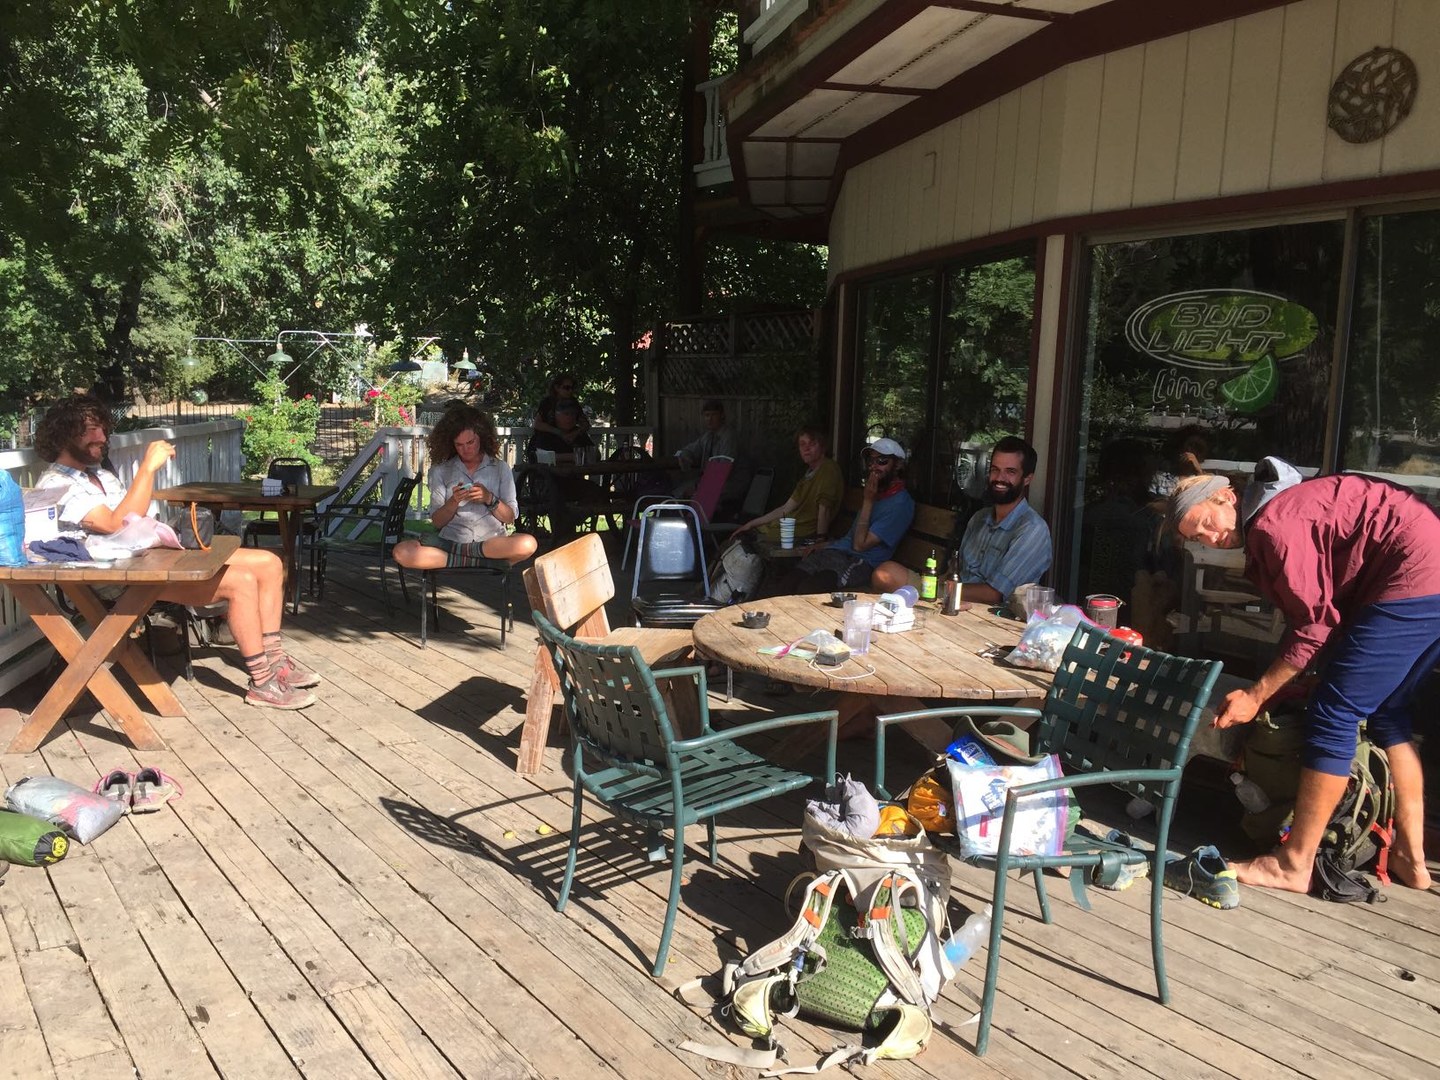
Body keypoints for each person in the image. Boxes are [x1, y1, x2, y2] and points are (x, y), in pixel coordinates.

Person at [1169, 459, 1440, 893]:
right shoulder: (1280, 510)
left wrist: (1257, 695)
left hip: (1412, 576)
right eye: (1195, 538)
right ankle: (1411, 860)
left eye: (1204, 523)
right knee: (1389, 716)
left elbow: (1314, 625)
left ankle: (1293, 863)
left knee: (1334, 714)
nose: (1208, 539)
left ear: (1226, 497)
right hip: (1427, 573)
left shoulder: (1276, 525)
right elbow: (1324, 614)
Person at [33, 394, 320, 710]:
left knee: (268, 562)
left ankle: (276, 661)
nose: (101, 438)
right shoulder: (56, 483)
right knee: (240, 581)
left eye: (102, 429)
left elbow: (133, 520)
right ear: (63, 435)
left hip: (147, 558)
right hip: (118, 578)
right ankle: (262, 683)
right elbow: (115, 524)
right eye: (90, 430)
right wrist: (147, 468)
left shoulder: (98, 474)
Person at [871, 436, 1051, 604]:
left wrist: (940, 594)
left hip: (985, 613)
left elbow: (995, 594)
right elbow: (955, 571)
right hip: (950, 595)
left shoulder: (1032, 529)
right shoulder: (979, 518)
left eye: (1010, 472)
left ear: (1027, 478)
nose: (999, 478)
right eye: (995, 470)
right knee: (884, 573)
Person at [392, 404, 538, 573]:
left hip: (490, 543)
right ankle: (484, 562)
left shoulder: (500, 468)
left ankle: (461, 557)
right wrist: (454, 501)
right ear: (451, 444)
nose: (466, 449)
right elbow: (438, 522)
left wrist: (489, 499)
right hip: (451, 540)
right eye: (459, 444)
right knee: (401, 552)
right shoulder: (441, 471)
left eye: (470, 442)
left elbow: (509, 517)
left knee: (528, 543)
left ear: (482, 437)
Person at [768, 438, 914, 595]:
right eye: (870, 461)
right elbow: (849, 539)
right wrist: (824, 545)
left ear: (898, 465)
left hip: (860, 562)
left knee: (809, 590)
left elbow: (859, 545)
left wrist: (867, 501)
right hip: (836, 552)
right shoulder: (877, 494)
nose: (873, 467)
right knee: (785, 585)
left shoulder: (900, 504)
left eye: (882, 461)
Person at [730, 426, 844, 544]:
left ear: (823, 447)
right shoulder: (808, 475)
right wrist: (750, 524)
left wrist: (820, 540)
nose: (806, 448)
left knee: (745, 544)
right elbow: (786, 508)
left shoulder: (828, 469)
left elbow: (824, 509)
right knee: (741, 538)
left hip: (802, 533)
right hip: (787, 529)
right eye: (802, 444)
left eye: (812, 444)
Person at [533, 373, 590, 445]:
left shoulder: (573, 402)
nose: (570, 391)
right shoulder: (547, 402)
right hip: (549, 439)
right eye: (567, 388)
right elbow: (537, 424)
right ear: (557, 387)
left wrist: (574, 434)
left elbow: (585, 424)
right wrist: (559, 432)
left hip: (570, 438)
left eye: (572, 388)